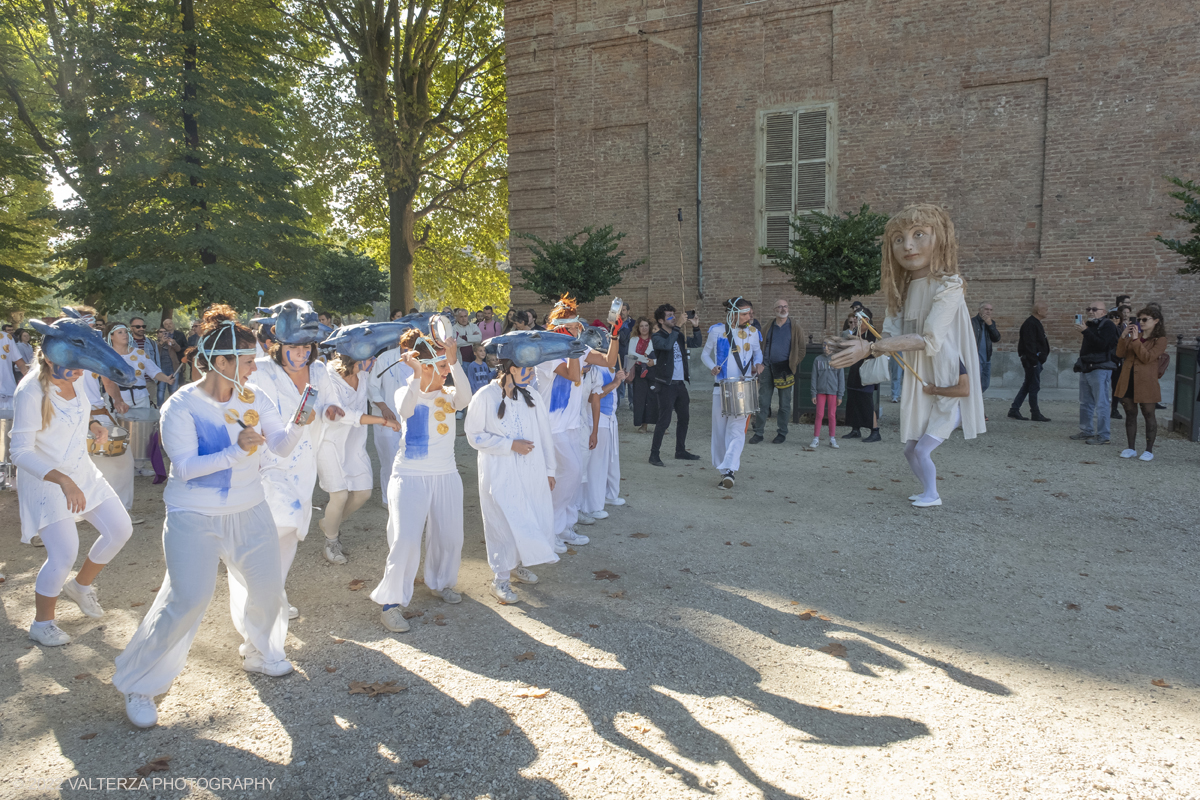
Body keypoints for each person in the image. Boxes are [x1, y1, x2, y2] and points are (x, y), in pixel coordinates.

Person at [113, 306, 310, 728]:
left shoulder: (255, 397)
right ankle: (141, 683)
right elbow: (182, 467)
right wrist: (237, 451)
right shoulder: (181, 406)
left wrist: (300, 424)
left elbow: (280, 445)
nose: (254, 367)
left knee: (268, 589)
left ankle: (260, 652)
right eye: (246, 360)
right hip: (194, 516)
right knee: (187, 600)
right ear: (220, 362)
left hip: (250, 508)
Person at [830, 203, 985, 508]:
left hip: (941, 373)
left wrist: (872, 348)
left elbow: (929, 339)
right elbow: (889, 335)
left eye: (919, 234)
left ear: (939, 237)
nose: (908, 245)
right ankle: (929, 490)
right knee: (909, 448)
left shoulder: (950, 285)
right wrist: (858, 345)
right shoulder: (901, 290)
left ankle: (932, 494)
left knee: (921, 449)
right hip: (920, 376)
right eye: (899, 239)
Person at [11, 321, 134, 646]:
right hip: (47, 480)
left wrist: (94, 425)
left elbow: (81, 409)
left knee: (120, 529)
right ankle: (42, 623)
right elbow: (19, 451)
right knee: (64, 553)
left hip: (82, 471)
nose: (79, 374)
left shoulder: (74, 376)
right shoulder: (31, 390)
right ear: (51, 359)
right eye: (74, 368)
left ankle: (79, 587)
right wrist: (63, 481)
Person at [370, 329, 471, 631]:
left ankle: (441, 582)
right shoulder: (406, 390)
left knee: (450, 536)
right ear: (424, 367)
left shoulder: (449, 395)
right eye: (439, 367)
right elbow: (405, 410)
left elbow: (465, 399)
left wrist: (455, 364)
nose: (444, 373)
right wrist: (416, 376)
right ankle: (391, 603)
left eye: (445, 367)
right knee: (405, 539)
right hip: (410, 476)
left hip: (446, 475)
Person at [246, 320, 341, 621]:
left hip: (304, 460)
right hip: (267, 457)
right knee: (279, 522)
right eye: (293, 347)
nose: (301, 353)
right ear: (278, 345)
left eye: (306, 347)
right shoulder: (260, 369)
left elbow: (330, 402)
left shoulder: (320, 370)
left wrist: (330, 410)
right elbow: (246, 408)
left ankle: (274, 595)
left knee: (293, 528)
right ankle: (258, 599)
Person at [465, 353, 559, 604]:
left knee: (530, 515)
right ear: (511, 369)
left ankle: (517, 564)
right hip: (500, 472)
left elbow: (545, 434)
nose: (531, 373)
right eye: (527, 368)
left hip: (531, 471)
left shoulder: (531, 395)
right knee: (503, 523)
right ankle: (501, 579)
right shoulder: (485, 396)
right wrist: (509, 445)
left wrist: (550, 470)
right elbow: (474, 435)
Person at [535, 295, 621, 543]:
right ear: (561, 328)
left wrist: (614, 336)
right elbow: (574, 375)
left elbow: (609, 361)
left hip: (573, 425)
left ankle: (564, 528)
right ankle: (550, 527)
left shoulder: (579, 349)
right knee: (568, 474)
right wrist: (574, 348)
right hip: (551, 427)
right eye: (573, 327)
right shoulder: (547, 352)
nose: (579, 330)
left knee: (574, 476)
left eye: (578, 327)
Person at [317, 348, 400, 564]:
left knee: (363, 492)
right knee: (340, 496)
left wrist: (384, 406)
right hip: (328, 443)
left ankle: (329, 523)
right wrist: (382, 420)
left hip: (354, 442)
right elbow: (345, 415)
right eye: (370, 357)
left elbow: (371, 394)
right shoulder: (328, 376)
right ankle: (331, 541)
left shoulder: (363, 375)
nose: (374, 360)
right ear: (355, 358)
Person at [701, 298, 763, 488]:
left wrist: (758, 365)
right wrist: (712, 367)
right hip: (721, 388)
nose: (749, 317)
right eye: (745, 314)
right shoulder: (717, 331)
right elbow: (705, 354)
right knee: (720, 432)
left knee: (736, 431)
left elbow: (758, 353)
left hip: (744, 388)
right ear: (733, 313)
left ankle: (730, 471)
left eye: (749, 313)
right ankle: (723, 470)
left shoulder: (753, 333)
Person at [648, 304, 702, 467]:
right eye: (669, 316)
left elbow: (696, 343)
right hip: (666, 384)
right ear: (661, 320)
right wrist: (678, 325)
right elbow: (666, 346)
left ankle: (680, 450)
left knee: (684, 418)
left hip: (680, 384)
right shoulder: (657, 336)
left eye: (674, 315)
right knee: (664, 421)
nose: (673, 318)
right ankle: (654, 455)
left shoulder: (678, 335)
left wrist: (696, 327)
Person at [1115, 306, 1167, 461]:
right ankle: (1131, 448)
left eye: (1145, 319)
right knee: (1130, 414)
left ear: (1156, 321)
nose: (1141, 322)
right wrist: (1124, 337)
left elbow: (1147, 358)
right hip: (1128, 379)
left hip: (1146, 382)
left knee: (1149, 414)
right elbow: (1119, 354)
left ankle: (1149, 450)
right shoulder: (1133, 336)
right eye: (1139, 320)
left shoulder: (1160, 340)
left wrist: (1136, 340)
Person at [368, 339, 415, 507]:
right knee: (389, 460)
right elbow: (372, 386)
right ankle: (388, 500)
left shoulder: (421, 360)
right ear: (400, 341)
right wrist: (383, 407)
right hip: (387, 417)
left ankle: (408, 497)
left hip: (413, 418)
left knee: (411, 459)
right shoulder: (385, 358)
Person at [751, 299, 804, 444]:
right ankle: (759, 432)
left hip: (785, 370)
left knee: (784, 403)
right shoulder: (768, 326)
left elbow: (802, 349)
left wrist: (793, 363)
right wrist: (759, 363)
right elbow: (758, 345)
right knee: (763, 401)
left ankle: (782, 432)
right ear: (774, 309)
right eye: (779, 307)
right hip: (767, 368)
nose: (783, 309)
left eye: (785, 306)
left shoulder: (795, 327)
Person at [1071, 299, 1119, 445]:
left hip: (1100, 368)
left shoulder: (1108, 325)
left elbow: (1102, 345)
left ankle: (1104, 435)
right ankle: (1086, 431)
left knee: (1102, 402)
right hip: (1087, 367)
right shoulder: (1091, 325)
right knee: (1085, 402)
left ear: (1103, 312)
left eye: (1094, 309)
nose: (1090, 311)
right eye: (1088, 309)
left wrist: (1085, 331)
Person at [582, 361, 624, 518]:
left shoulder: (608, 367)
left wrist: (619, 379)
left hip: (610, 418)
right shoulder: (593, 367)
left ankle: (610, 494)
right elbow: (593, 397)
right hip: (597, 421)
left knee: (611, 461)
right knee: (596, 466)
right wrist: (614, 383)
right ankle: (593, 506)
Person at [842, 312, 882, 442]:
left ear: (866, 320)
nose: (855, 323)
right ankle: (855, 429)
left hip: (867, 372)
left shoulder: (872, 333)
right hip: (855, 371)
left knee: (866, 402)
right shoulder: (855, 333)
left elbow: (872, 350)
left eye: (858, 320)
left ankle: (875, 431)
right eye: (854, 321)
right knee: (853, 400)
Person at [1008, 301, 1051, 422]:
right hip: (1032, 361)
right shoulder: (1030, 324)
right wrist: (1033, 361)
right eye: (1046, 309)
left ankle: (1014, 409)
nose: (1047, 311)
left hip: (1035, 361)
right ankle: (1035, 413)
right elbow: (1029, 344)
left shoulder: (1035, 323)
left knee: (1028, 385)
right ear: (1039, 311)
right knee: (1033, 386)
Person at [810, 340, 845, 449]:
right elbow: (814, 377)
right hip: (820, 391)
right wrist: (813, 393)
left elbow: (841, 378)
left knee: (831, 415)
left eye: (828, 346)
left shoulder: (837, 360)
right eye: (824, 345)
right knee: (819, 414)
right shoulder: (818, 360)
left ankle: (832, 438)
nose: (825, 348)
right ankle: (816, 438)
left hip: (833, 392)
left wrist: (840, 395)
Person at [626, 318, 658, 432]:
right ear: (638, 328)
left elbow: (661, 356)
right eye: (641, 326)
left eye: (646, 325)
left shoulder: (655, 338)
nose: (644, 328)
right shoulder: (634, 339)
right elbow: (631, 353)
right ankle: (643, 425)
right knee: (640, 398)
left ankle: (659, 425)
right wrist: (646, 359)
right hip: (639, 371)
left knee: (654, 397)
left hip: (654, 370)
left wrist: (653, 362)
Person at [970, 303, 1001, 394]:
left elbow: (996, 338)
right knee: (974, 383)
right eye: (986, 309)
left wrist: (990, 325)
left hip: (986, 359)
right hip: (975, 359)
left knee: (985, 384)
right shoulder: (972, 322)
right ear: (980, 310)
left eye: (991, 310)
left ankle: (976, 401)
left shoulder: (991, 323)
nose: (988, 312)